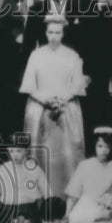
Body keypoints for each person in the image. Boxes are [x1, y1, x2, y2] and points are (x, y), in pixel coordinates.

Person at [20, 16, 86, 196]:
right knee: (41, 153)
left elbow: (76, 86)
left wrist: (60, 100)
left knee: (66, 156)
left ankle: (67, 196)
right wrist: (46, 100)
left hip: (65, 109)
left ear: (63, 33)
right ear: (45, 33)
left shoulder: (72, 56)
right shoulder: (36, 55)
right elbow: (29, 85)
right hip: (40, 109)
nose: (54, 37)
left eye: (57, 32)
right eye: (50, 32)